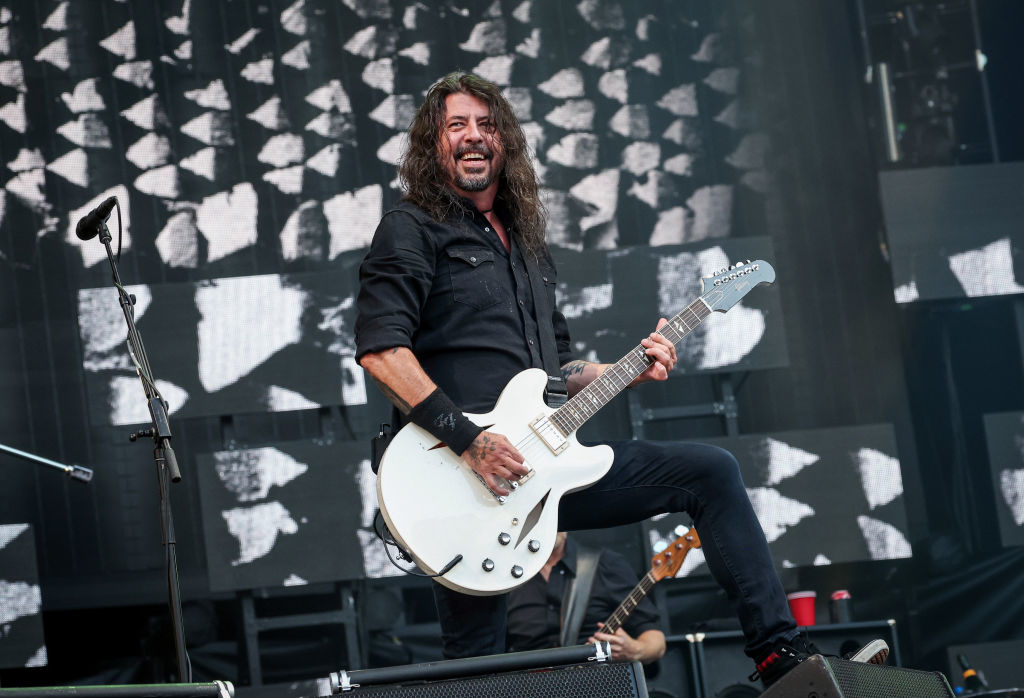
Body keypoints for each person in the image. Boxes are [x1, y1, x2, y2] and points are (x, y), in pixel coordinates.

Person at [354, 71, 886, 688]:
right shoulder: (411, 227)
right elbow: (381, 352)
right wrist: (471, 442)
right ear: (433, 144)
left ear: (506, 142)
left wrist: (622, 373)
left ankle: (780, 656)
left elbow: (557, 374)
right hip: (460, 479)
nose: (473, 136)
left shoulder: (527, 247)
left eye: (486, 123)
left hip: (543, 469)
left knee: (709, 472)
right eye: (456, 125)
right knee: (478, 668)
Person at [506, 532, 666, 665]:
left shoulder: (606, 564)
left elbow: (657, 641)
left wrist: (636, 650)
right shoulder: (503, 578)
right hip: (530, 686)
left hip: (600, 686)